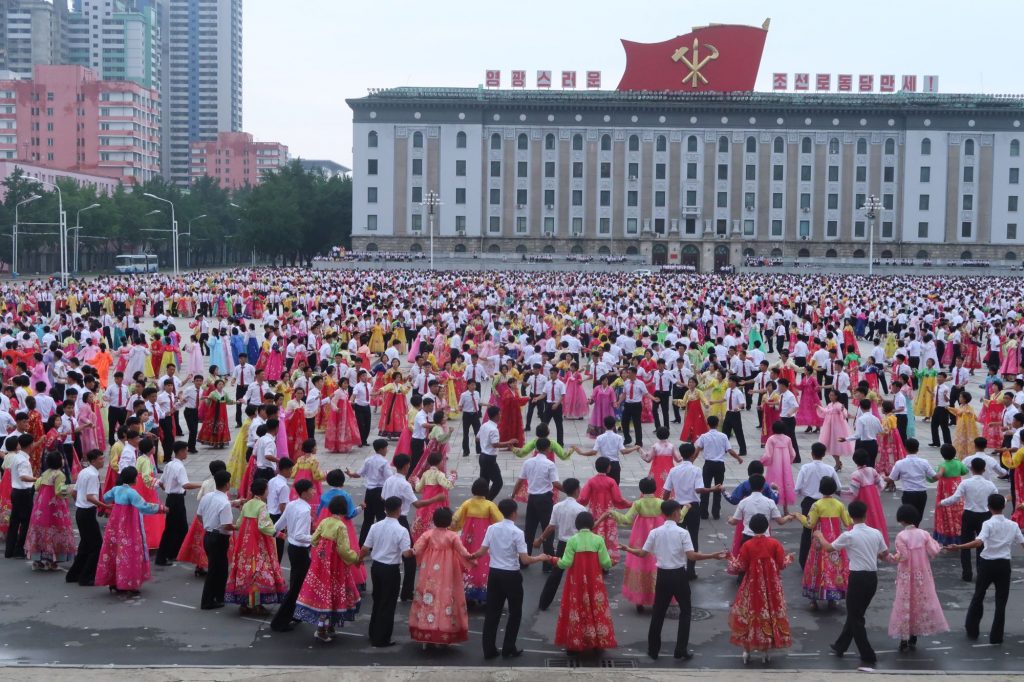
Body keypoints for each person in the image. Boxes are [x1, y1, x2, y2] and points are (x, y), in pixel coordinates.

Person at [621, 499, 727, 661]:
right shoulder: (682, 533)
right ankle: (680, 649)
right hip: (678, 575)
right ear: (675, 513)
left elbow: (643, 553)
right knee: (685, 611)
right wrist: (712, 555)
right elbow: (692, 556)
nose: (680, 515)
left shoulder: (655, 532)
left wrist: (627, 548)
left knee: (658, 613)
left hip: (662, 575)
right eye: (679, 512)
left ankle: (653, 649)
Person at [470, 498, 550, 659]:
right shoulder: (517, 533)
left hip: (494, 573)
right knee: (515, 612)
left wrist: (469, 556)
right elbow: (525, 560)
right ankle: (508, 647)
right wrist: (540, 557)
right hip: (511, 575)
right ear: (514, 513)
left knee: (493, 612)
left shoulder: (492, 528)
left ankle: (489, 649)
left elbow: (482, 551)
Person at [815, 499, 891, 666]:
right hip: (872, 578)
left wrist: (820, 536)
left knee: (856, 617)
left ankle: (867, 654)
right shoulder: (875, 533)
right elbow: (884, 554)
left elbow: (828, 548)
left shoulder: (849, 535)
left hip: (857, 578)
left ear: (850, 515)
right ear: (865, 514)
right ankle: (841, 645)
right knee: (855, 613)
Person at [945, 493, 1024, 644]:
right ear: (1004, 506)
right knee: (1001, 602)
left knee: (978, 596)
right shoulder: (1013, 525)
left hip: (987, 564)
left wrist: (959, 546)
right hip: (1004, 565)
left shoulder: (988, 524)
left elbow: (978, 542)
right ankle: (996, 637)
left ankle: (972, 629)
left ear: (989, 507)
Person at [294, 494, 362, 643]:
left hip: (321, 564)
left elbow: (313, 539)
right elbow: (343, 550)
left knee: (323, 593)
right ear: (344, 510)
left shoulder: (324, 521)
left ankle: (325, 627)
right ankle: (324, 629)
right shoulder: (341, 526)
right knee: (334, 592)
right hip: (336, 566)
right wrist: (355, 558)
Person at [728, 513, 794, 664]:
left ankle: (747, 650)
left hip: (752, 585)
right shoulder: (774, 543)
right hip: (771, 587)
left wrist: (730, 558)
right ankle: (765, 651)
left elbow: (740, 566)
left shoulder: (747, 545)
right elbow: (781, 564)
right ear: (767, 527)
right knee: (770, 613)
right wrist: (789, 558)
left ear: (750, 527)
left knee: (750, 612)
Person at [550, 510, 616, 652]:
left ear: (577, 525)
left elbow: (565, 564)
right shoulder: (598, 540)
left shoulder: (572, 540)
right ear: (592, 524)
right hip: (594, 583)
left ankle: (575, 643)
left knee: (576, 609)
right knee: (595, 609)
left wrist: (553, 559)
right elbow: (606, 563)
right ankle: (596, 642)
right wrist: (613, 562)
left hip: (576, 583)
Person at [887, 504, 948, 651]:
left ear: (901, 520)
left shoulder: (901, 536)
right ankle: (914, 636)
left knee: (905, 603)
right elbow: (934, 551)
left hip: (906, 576)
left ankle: (904, 639)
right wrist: (942, 547)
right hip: (922, 575)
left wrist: (890, 557)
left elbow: (903, 556)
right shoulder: (924, 534)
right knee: (920, 603)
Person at [409, 506, 473, 646]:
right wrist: (472, 559)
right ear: (449, 521)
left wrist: (408, 552)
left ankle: (425, 631)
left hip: (430, 569)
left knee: (429, 594)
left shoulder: (428, 534)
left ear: (434, 520)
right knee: (446, 596)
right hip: (448, 569)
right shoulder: (452, 536)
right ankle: (444, 631)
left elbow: (416, 549)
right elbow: (463, 552)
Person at [95, 466, 164, 594]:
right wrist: (161, 508)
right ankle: (127, 583)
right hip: (129, 526)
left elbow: (105, 497)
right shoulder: (132, 492)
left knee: (115, 551)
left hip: (115, 525)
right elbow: (144, 507)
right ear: (133, 478)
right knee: (129, 552)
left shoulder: (116, 489)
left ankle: (114, 581)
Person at [224, 477, 288, 614]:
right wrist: (279, 534)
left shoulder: (247, 504)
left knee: (245, 571)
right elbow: (264, 526)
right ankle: (257, 605)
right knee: (258, 572)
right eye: (267, 490)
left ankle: (244, 604)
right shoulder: (261, 506)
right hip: (258, 544)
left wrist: (233, 527)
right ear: (264, 491)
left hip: (245, 544)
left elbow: (240, 523)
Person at [360, 495, 413, 647]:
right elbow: (406, 553)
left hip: (376, 567)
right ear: (399, 510)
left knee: (377, 601)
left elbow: (365, 548)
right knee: (388, 604)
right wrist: (415, 550)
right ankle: (381, 638)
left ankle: (373, 632)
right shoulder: (401, 530)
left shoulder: (375, 526)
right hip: (390, 569)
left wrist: (358, 560)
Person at [604, 477, 664, 609]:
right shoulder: (661, 503)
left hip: (641, 538)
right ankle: (657, 596)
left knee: (641, 564)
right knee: (658, 564)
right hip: (658, 537)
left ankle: (640, 599)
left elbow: (626, 520)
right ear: (655, 488)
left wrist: (613, 513)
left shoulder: (638, 504)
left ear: (641, 490)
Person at [939, 456, 998, 582]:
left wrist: (942, 502)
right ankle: (981, 572)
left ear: (971, 469)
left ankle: (967, 574)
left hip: (969, 514)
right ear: (983, 469)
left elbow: (955, 497)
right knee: (982, 544)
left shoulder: (965, 483)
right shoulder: (990, 485)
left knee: (965, 545)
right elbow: (996, 500)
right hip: (984, 515)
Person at [269, 478, 316, 632]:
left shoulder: (292, 504)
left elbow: (278, 525)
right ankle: (280, 622)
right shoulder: (304, 510)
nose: (314, 492)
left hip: (293, 549)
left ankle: (294, 615)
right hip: (300, 551)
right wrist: (317, 538)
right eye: (311, 489)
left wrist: (281, 535)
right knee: (296, 587)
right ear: (304, 492)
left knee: (299, 584)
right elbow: (300, 535)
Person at [800, 476, 851, 609]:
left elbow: (810, 524)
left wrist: (799, 517)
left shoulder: (816, 505)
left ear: (820, 489)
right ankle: (832, 597)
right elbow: (847, 522)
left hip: (819, 540)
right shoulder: (839, 505)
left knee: (816, 566)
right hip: (835, 540)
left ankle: (813, 599)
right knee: (835, 566)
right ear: (834, 489)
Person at [535, 477, 585, 611]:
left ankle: (543, 603)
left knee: (556, 575)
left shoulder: (557, 506)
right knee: (580, 575)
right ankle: (580, 604)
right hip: (578, 544)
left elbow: (551, 527)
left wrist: (540, 539)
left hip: (563, 544)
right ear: (576, 490)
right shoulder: (581, 509)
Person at [24, 450, 76, 571]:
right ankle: (51, 561)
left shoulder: (45, 473)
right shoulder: (60, 474)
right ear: (59, 461)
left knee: (41, 530)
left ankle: (38, 560)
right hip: (55, 507)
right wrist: (71, 489)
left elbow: (36, 486)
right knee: (56, 529)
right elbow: (59, 491)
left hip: (41, 505)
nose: (63, 460)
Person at [793, 442, 841, 568]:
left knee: (807, 531)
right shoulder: (830, 469)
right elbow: (838, 487)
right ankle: (826, 561)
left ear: (812, 453)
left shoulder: (805, 468)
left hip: (809, 502)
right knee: (826, 532)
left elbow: (797, 488)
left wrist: (806, 492)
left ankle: (804, 561)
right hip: (827, 502)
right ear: (824, 454)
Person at [66, 448, 109, 585]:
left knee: (85, 545)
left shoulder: (84, 472)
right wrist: (105, 506)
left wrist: (80, 502)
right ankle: (86, 577)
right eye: (100, 459)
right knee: (96, 546)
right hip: (87, 512)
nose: (103, 461)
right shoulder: (91, 475)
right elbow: (90, 497)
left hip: (81, 512)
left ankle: (73, 574)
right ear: (93, 461)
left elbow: (74, 492)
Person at [155, 441, 201, 566]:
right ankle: (164, 556)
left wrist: (168, 490)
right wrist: (202, 485)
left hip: (172, 498)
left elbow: (161, 482)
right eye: (186, 450)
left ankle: (173, 553)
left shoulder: (169, 464)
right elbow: (185, 484)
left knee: (178, 528)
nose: (187, 453)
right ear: (180, 451)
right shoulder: (179, 467)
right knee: (174, 529)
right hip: (177, 499)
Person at [177, 459, 226, 576]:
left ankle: (200, 566)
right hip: (216, 518)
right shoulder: (221, 485)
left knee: (201, 543)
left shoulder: (206, 483)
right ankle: (214, 567)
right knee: (217, 544)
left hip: (202, 517)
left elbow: (199, 497)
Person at [518, 437, 561, 563]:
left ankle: (525, 559)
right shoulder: (550, 464)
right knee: (547, 529)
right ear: (548, 449)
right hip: (545, 499)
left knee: (529, 529)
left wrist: (513, 494)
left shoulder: (528, 462)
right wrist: (569, 490)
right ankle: (548, 562)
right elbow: (556, 483)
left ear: (536, 448)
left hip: (532, 499)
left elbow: (520, 480)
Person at [196, 469, 233, 609]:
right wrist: (239, 527)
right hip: (219, 538)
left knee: (221, 568)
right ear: (227, 484)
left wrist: (209, 523)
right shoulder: (224, 503)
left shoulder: (208, 496)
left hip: (209, 535)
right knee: (215, 570)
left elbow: (199, 515)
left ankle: (219, 596)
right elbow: (227, 525)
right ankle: (207, 601)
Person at [694, 415, 742, 520]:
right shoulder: (723, 436)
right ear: (717, 424)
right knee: (718, 488)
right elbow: (729, 450)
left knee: (705, 488)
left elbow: (697, 450)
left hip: (708, 465)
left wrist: (691, 461)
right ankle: (716, 512)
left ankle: (703, 513)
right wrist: (738, 458)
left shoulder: (704, 436)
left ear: (708, 424)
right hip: (719, 465)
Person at [347, 438, 392, 546]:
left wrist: (351, 474)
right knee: (381, 518)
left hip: (369, 492)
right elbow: (389, 479)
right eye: (386, 448)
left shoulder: (368, 459)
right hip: (380, 492)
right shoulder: (384, 462)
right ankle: (381, 544)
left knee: (368, 519)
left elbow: (359, 474)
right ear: (381, 449)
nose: (387, 450)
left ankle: (363, 543)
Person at [884, 438, 936, 524]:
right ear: (918, 449)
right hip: (921, 493)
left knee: (908, 517)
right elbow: (935, 477)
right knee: (918, 516)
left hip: (908, 494)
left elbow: (891, 479)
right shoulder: (924, 462)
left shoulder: (900, 463)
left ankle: (909, 533)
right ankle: (916, 531)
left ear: (905, 448)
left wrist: (883, 477)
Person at [848, 449, 889, 545]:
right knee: (876, 521)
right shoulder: (872, 471)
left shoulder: (855, 475)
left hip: (861, 502)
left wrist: (839, 493)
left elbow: (853, 493)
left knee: (861, 523)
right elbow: (881, 485)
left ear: (855, 460)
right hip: (874, 502)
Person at [3, 434, 35, 558]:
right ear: (30, 445)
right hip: (23, 493)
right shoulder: (22, 460)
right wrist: (37, 479)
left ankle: (9, 550)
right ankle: (19, 549)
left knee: (14, 522)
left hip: (16, 491)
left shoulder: (17, 457)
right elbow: (23, 476)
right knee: (25, 522)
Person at [933, 444, 969, 546]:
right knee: (958, 512)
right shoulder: (958, 463)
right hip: (957, 488)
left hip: (946, 492)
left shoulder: (943, 465)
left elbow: (938, 476)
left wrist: (928, 476)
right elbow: (965, 471)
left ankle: (948, 538)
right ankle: (960, 536)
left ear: (942, 455)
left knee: (946, 511)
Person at [760, 421, 797, 513]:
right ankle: (785, 509)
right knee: (786, 484)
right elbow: (793, 454)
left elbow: (768, 455)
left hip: (774, 467)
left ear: (773, 429)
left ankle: (772, 509)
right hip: (785, 466)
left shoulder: (771, 439)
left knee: (773, 484)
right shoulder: (787, 439)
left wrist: (762, 462)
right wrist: (789, 462)